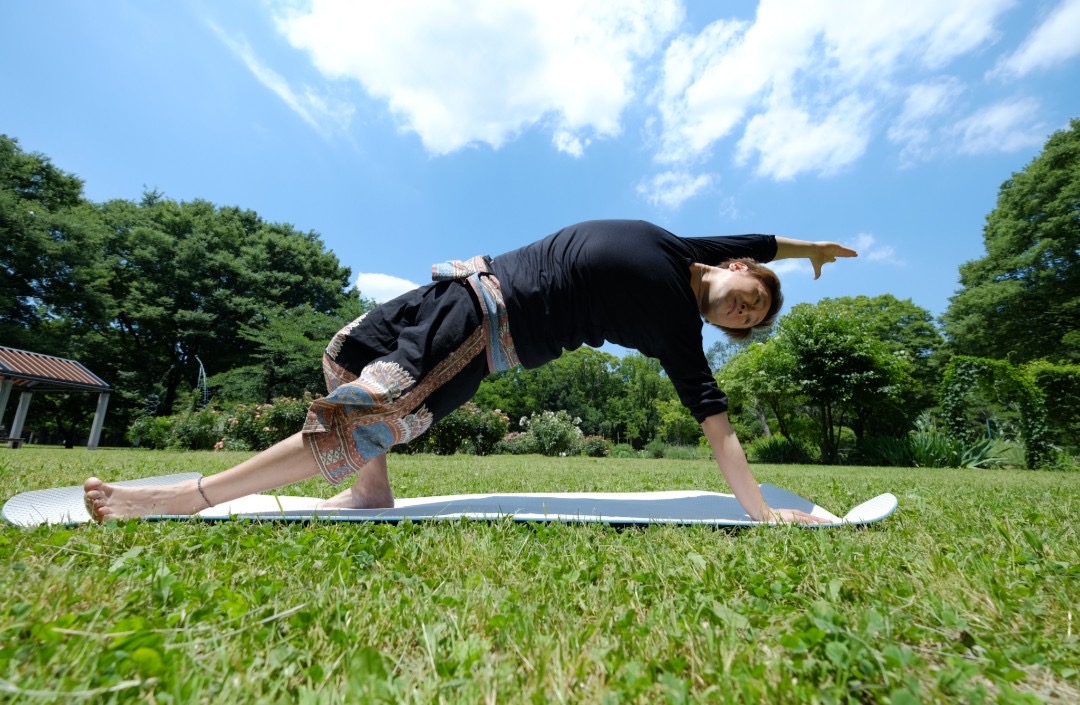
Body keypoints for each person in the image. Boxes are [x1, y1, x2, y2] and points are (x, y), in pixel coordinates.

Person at [85, 219, 856, 524]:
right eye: (750, 298)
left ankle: (184, 499)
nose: (743, 313)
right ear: (736, 266)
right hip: (459, 285)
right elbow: (760, 228)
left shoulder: (675, 326)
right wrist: (808, 251)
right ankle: (370, 487)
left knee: (361, 411)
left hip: (486, 330)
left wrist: (757, 509)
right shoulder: (679, 244)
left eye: (749, 320)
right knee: (343, 351)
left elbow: (714, 423)